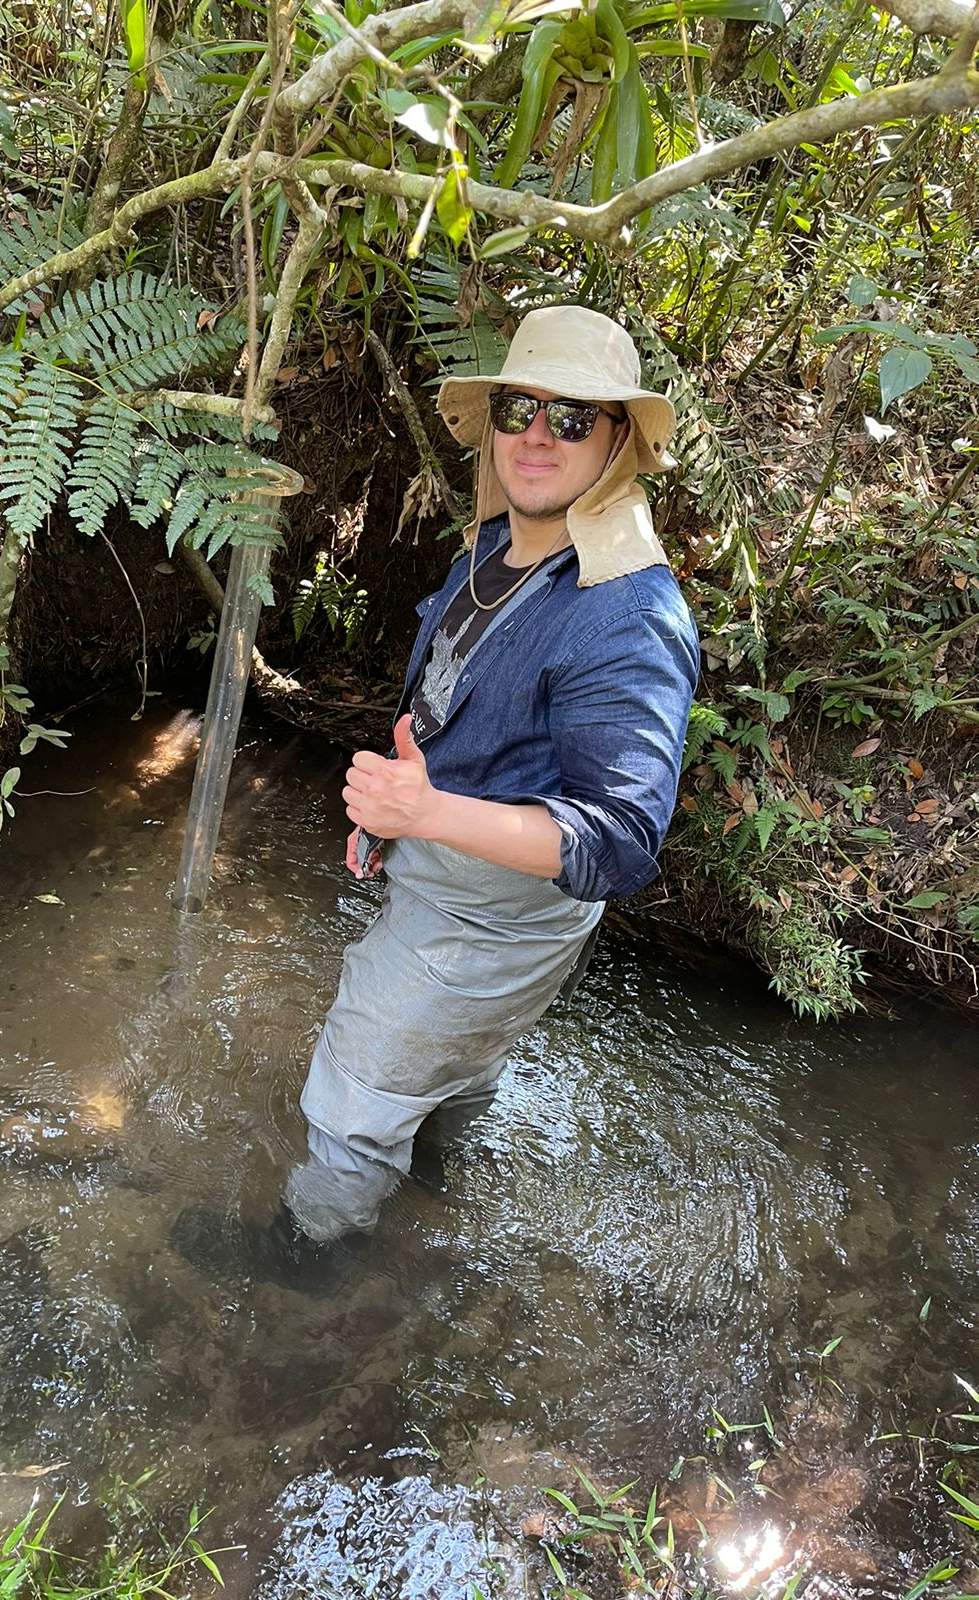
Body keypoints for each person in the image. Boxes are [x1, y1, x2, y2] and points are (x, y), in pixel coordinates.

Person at [172, 305, 700, 1290]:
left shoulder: (628, 617)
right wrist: (394, 813)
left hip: (492, 903)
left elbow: (623, 841)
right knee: (457, 1062)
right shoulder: (504, 542)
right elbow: (450, 703)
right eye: (519, 407)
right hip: (450, 866)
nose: (537, 435)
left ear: (620, 439)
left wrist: (423, 816)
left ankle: (311, 1260)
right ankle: (437, 1177)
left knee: (355, 1090)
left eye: (574, 417)